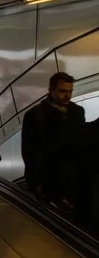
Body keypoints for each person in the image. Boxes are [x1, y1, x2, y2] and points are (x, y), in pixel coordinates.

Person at [21, 72, 85, 209]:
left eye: (70, 91)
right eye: (62, 91)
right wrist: (35, 183)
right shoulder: (35, 115)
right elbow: (29, 152)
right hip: (48, 181)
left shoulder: (77, 112)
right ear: (51, 90)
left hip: (72, 180)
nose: (67, 95)